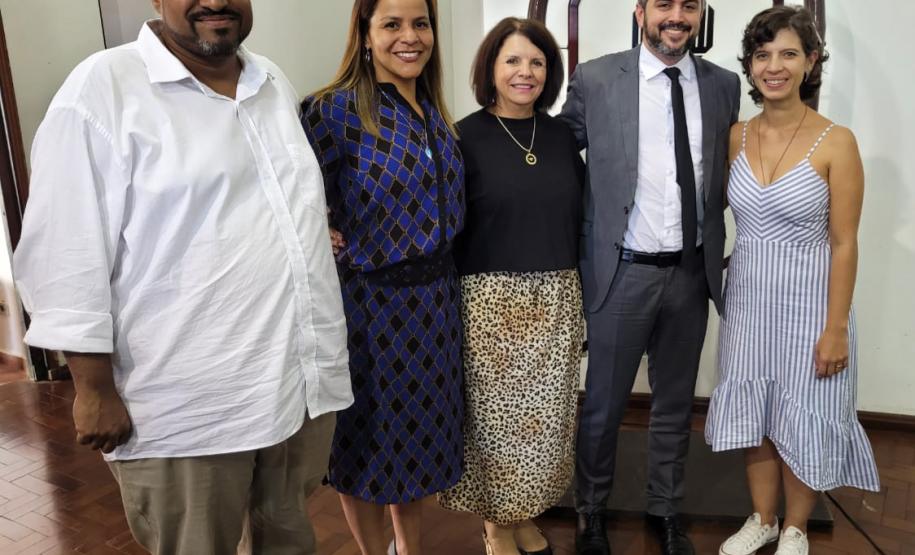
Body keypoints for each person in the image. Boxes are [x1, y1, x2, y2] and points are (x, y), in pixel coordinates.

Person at [12, 0, 352, 553]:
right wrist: (92, 388)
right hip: (187, 404)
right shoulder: (104, 90)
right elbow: (65, 250)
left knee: (287, 537)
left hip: (292, 386)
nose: (215, 2)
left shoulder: (270, 82)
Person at [558, 1, 741, 553]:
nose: (677, 15)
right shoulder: (595, 77)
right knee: (603, 406)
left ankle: (666, 511)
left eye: (690, 4)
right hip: (621, 272)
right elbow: (558, 157)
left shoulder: (724, 84)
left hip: (691, 272)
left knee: (673, 404)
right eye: (664, 3)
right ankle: (591, 512)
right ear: (641, 12)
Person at [705, 6, 880, 555]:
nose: (773, 66)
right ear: (750, 65)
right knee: (755, 412)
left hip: (811, 302)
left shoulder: (837, 142)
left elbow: (845, 242)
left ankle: (797, 528)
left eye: (788, 54)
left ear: (810, 62)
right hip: (750, 300)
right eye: (762, 55)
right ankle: (762, 518)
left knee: (803, 416)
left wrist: (835, 329)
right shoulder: (736, 136)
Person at [300, 0, 464, 553]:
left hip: (437, 304)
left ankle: (408, 549)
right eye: (391, 24)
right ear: (365, 35)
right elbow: (290, 200)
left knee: (416, 447)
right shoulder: (333, 111)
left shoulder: (435, 111)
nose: (409, 37)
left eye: (420, 24)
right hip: (372, 310)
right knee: (366, 448)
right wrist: (323, 236)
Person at [436, 17, 585, 555]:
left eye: (537, 62)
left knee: (544, 428)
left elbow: (578, 218)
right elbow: (448, 228)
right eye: (513, 61)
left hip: (558, 297)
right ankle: (497, 525)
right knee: (495, 429)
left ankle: (523, 514)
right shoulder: (461, 137)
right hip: (489, 303)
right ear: (491, 69)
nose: (526, 72)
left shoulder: (563, 136)